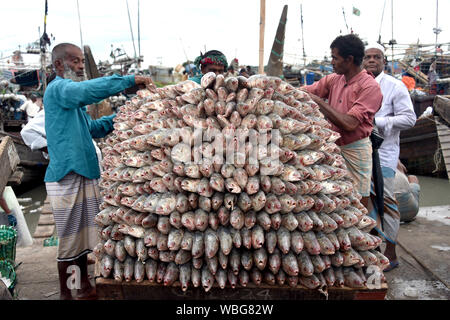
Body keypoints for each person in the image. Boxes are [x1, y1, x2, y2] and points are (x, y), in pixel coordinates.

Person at [43, 42, 155, 300]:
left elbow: (91, 129)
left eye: (82, 61)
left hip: (84, 172)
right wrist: (127, 80)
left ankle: (83, 288)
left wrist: (123, 116)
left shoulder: (71, 103)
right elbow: (87, 90)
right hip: (67, 176)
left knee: (85, 239)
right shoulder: (59, 89)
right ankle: (68, 293)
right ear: (59, 64)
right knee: (71, 241)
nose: (81, 66)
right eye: (75, 61)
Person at [302, 34, 383, 209]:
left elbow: (350, 123)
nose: (332, 62)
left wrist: (319, 101)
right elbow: (306, 91)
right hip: (332, 147)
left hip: (355, 149)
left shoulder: (369, 87)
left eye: (335, 58)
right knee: (331, 198)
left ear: (349, 59)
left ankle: (361, 231)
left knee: (358, 199)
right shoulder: (333, 79)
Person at [363, 42, 416, 272]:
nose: (372, 60)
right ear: (361, 61)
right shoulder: (357, 85)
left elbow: (409, 119)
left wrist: (379, 123)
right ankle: (373, 251)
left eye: (377, 57)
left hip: (384, 155)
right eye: (368, 57)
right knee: (365, 205)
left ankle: (391, 253)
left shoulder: (395, 86)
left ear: (384, 61)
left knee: (387, 204)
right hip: (359, 155)